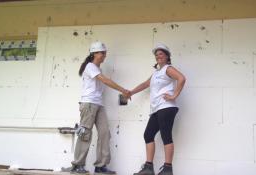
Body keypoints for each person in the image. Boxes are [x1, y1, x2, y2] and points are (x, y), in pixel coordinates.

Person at [66, 41, 131, 174]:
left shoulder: (97, 69)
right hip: (88, 104)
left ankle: (100, 166)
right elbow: (105, 80)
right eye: (102, 53)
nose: (104, 55)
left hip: (98, 104)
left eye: (104, 53)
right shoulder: (90, 67)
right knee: (85, 134)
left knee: (104, 133)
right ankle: (78, 165)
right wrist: (123, 90)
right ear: (94, 53)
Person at [131, 43, 186, 175]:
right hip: (156, 109)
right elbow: (145, 84)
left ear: (167, 56)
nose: (158, 56)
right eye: (156, 55)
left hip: (166, 107)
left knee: (165, 135)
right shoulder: (157, 73)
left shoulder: (168, 68)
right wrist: (130, 92)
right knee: (148, 135)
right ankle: (148, 168)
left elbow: (181, 78)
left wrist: (174, 95)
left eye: (161, 54)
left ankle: (168, 169)